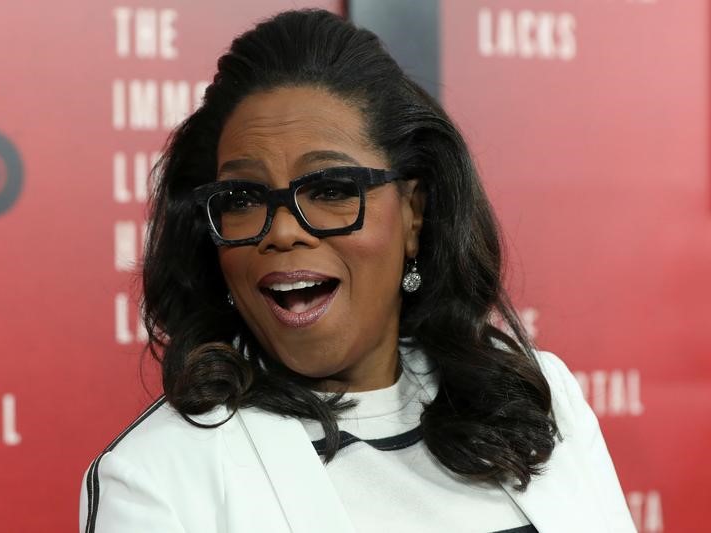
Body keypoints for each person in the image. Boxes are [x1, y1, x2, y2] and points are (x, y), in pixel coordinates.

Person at [80, 9, 636, 533]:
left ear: (414, 214)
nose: (281, 231)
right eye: (245, 197)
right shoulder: (158, 476)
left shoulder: (541, 400)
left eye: (329, 189)